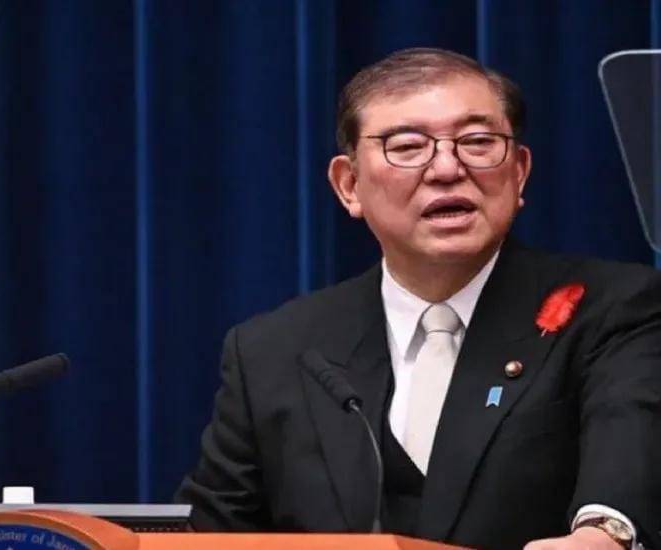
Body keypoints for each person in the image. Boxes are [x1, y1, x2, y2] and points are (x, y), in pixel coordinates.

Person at [175, 48, 661, 550]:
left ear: (519, 173)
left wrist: (604, 535)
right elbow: (211, 534)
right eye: (407, 146)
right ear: (349, 185)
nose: (447, 168)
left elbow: (631, 451)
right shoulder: (273, 351)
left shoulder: (616, 309)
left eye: (478, 142)